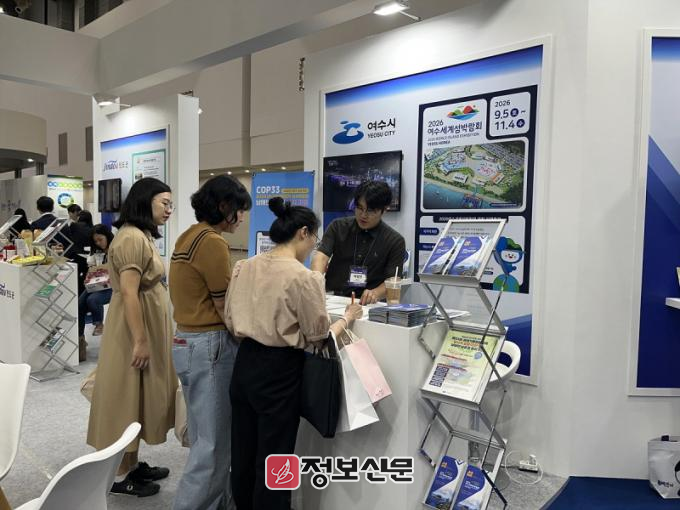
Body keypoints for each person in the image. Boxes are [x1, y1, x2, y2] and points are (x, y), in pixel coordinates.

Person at [225, 197, 363, 510]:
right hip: (280, 370)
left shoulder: (244, 266)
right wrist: (347, 318)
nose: (314, 245)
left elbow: (231, 320)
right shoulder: (304, 278)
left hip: (244, 363)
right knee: (277, 457)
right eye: (314, 238)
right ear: (303, 233)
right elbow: (318, 336)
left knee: (243, 450)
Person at [87, 177, 177, 497]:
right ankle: (118, 475)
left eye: (171, 204)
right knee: (125, 396)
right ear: (144, 201)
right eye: (164, 203)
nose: (169, 209)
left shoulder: (141, 235)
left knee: (139, 395)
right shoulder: (130, 238)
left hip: (145, 323)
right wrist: (140, 339)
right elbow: (128, 292)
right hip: (132, 329)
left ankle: (133, 463)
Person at [169, 174, 252, 510]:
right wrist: (246, 335)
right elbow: (223, 305)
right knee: (213, 445)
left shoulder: (189, 235)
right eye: (239, 210)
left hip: (186, 341)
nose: (242, 218)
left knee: (205, 435)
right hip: (210, 344)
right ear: (223, 206)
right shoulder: (213, 242)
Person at [311, 180, 406, 305]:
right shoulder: (338, 227)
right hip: (333, 298)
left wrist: (375, 293)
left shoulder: (394, 241)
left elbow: (393, 280)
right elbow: (321, 257)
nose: (363, 215)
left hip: (368, 304)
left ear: (384, 210)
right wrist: (316, 281)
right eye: (359, 208)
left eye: (370, 210)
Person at [77, 224, 114, 360]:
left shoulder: (116, 249)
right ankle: (80, 340)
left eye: (100, 239)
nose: (98, 243)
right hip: (96, 284)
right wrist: (91, 271)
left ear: (107, 236)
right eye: (96, 241)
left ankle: (99, 324)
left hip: (113, 286)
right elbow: (91, 268)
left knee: (92, 300)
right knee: (79, 304)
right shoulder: (96, 252)